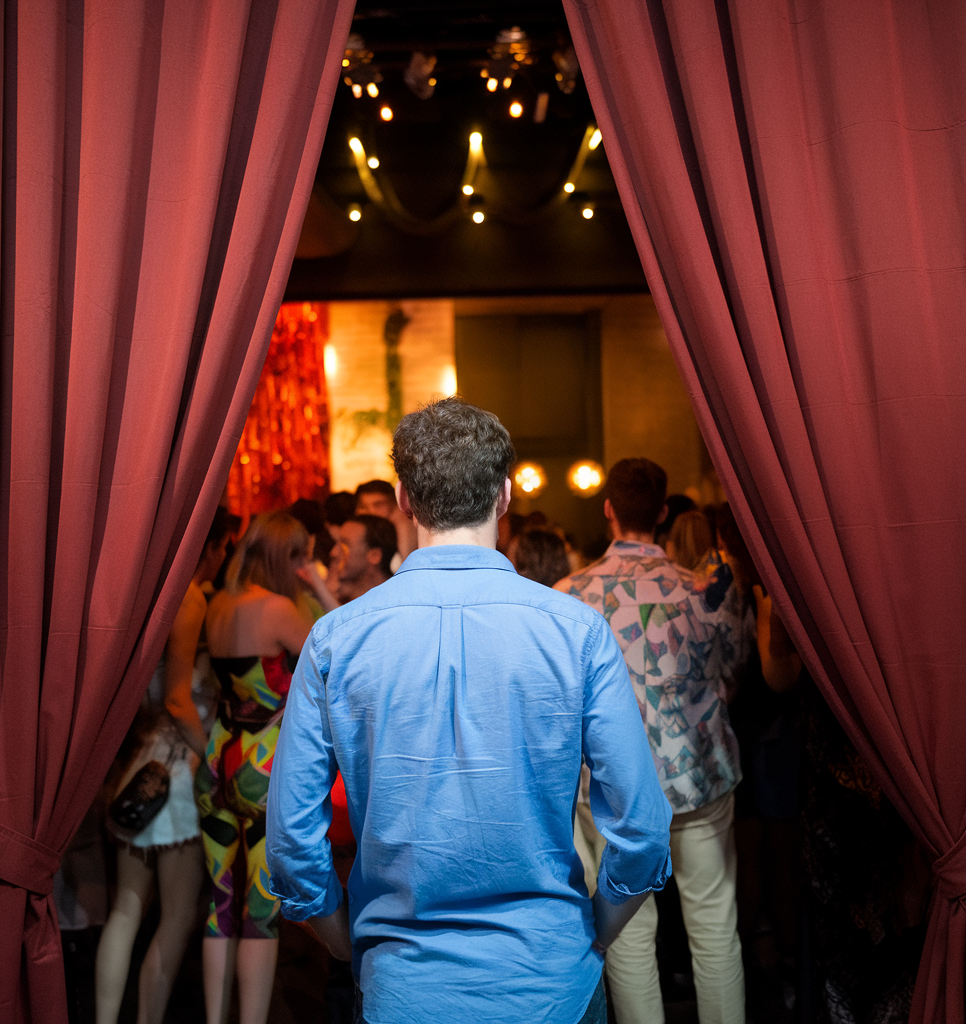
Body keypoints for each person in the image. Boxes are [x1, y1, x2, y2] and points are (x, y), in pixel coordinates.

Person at [266, 397, 672, 1024]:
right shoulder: (576, 633)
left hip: (402, 985)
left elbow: (293, 837)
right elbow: (640, 829)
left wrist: (347, 943)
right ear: (505, 495)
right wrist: (597, 928)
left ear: (403, 497)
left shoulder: (336, 640)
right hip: (551, 981)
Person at [556, 458, 752, 1024]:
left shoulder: (569, 597)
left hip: (613, 789)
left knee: (627, 937)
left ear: (609, 509)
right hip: (700, 774)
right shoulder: (709, 590)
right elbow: (734, 671)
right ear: (663, 513)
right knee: (714, 925)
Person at [95, 507, 234, 1024]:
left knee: (126, 911)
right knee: (176, 916)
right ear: (211, 547)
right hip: (176, 771)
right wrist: (215, 759)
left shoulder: (142, 596)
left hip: (135, 764)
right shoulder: (190, 598)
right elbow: (178, 699)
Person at [195, 512, 321, 1024]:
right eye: (300, 557)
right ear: (282, 557)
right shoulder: (278, 610)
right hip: (265, 768)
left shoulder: (219, 605)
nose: (304, 567)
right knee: (262, 910)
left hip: (218, 760)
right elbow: (336, 657)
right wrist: (320, 590)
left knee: (220, 904)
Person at [330, 514, 398, 604]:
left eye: (344, 546)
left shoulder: (396, 602)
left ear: (374, 556)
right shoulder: (341, 598)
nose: (333, 553)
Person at [354, 478, 417, 566]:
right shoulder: (353, 537)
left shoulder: (402, 532)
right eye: (363, 506)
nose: (370, 512)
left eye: (378, 505)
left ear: (395, 507)